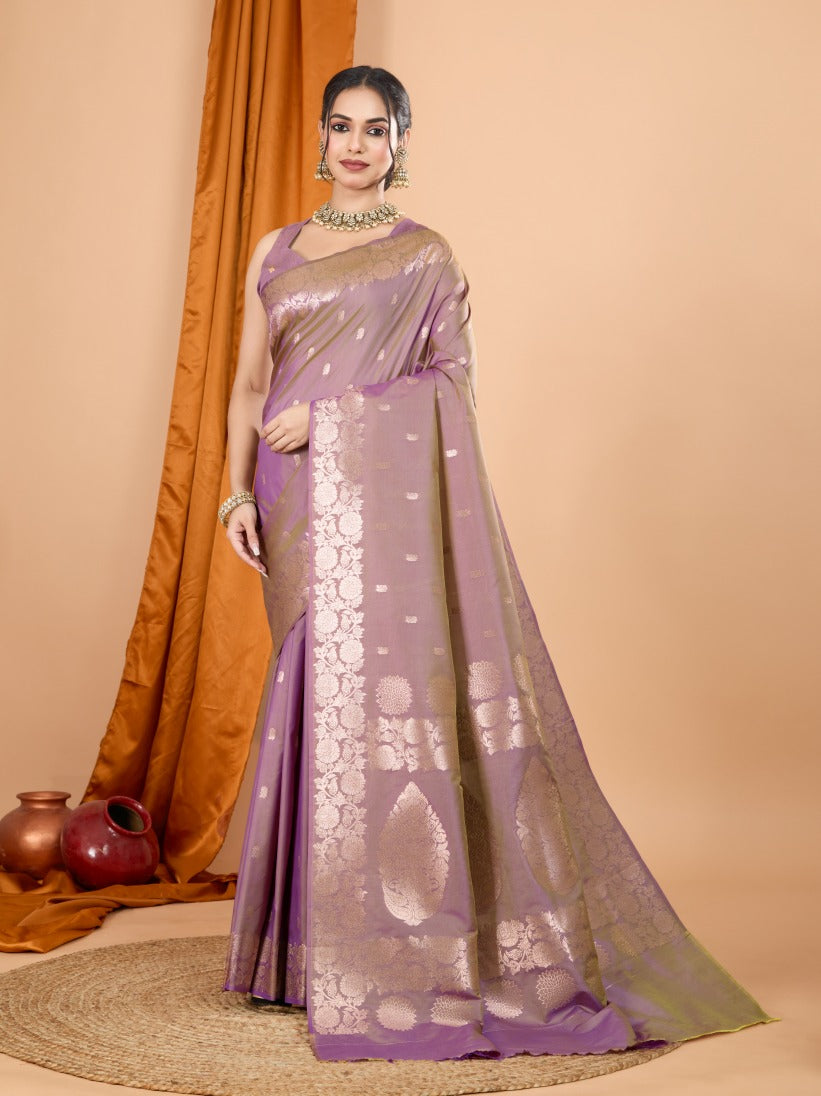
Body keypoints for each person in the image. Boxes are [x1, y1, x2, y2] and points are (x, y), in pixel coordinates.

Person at [219, 65, 776, 1063]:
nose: (356, 145)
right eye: (341, 126)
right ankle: (297, 958)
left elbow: (450, 385)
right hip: (289, 497)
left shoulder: (424, 255)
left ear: (398, 143)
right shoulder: (275, 248)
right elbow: (247, 386)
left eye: (375, 129)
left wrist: (335, 419)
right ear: (321, 135)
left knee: (372, 701)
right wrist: (233, 491)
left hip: (368, 496)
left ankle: (388, 954)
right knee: (308, 694)